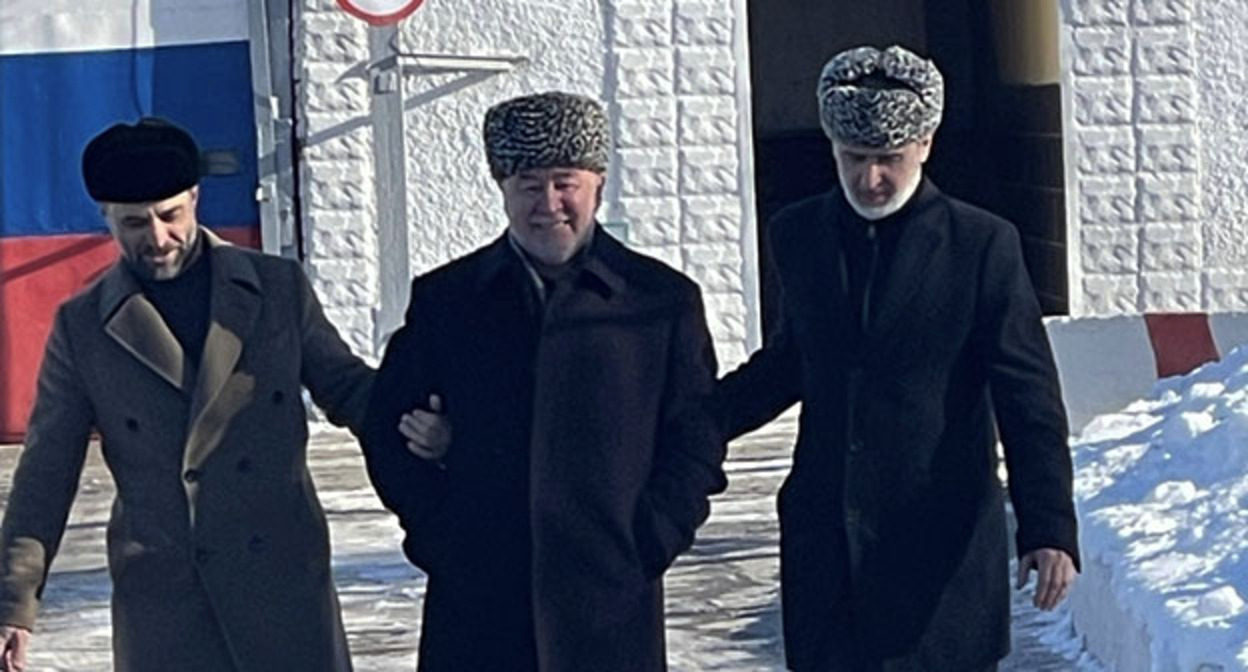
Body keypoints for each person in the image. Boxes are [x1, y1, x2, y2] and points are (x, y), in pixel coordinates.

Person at [711, 46, 1080, 671]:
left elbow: (1028, 397)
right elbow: (791, 363)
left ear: (926, 143)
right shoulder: (798, 235)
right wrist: (686, 423)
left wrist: (1047, 527)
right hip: (826, 547)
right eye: (855, 159)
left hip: (939, 548)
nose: (871, 178)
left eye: (889, 158)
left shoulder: (981, 245)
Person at [363, 91, 727, 671]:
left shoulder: (659, 303)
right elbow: (386, 429)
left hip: (609, 608)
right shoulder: (449, 301)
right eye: (528, 183)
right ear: (502, 189)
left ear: (598, 186)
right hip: (479, 605)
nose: (548, 203)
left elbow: (696, 439)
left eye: (565, 182)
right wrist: (438, 535)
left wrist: (653, 536)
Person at [0, 117, 375, 672]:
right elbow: (47, 469)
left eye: (170, 215)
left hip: (282, 589)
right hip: (167, 603)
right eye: (133, 222)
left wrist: (427, 415)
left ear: (195, 198)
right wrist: (14, 602)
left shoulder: (274, 289)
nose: (156, 237)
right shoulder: (83, 327)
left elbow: (347, 388)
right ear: (105, 218)